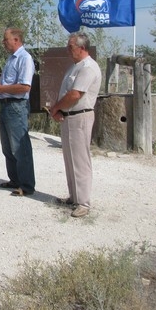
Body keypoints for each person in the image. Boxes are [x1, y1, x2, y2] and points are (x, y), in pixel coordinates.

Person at [49, 32, 102, 218]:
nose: (67, 50)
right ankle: (74, 196)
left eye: (71, 47)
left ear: (82, 48)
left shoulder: (88, 67)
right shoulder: (74, 67)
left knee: (80, 159)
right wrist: (59, 110)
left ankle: (83, 202)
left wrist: (56, 108)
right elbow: (67, 92)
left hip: (81, 116)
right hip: (69, 116)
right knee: (69, 158)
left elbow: (75, 94)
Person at [0, 28, 36, 196]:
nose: (3, 42)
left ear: (16, 40)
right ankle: (15, 180)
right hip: (6, 105)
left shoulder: (24, 58)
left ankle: (27, 185)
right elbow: (9, 85)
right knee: (7, 147)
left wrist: (1, 87)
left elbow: (24, 86)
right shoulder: (11, 59)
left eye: (5, 39)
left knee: (20, 148)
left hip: (16, 106)